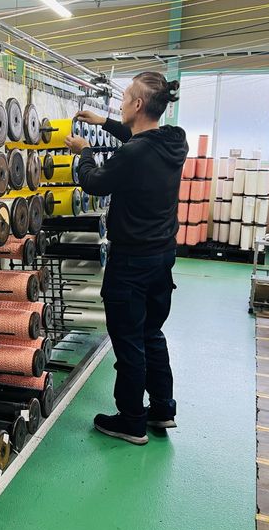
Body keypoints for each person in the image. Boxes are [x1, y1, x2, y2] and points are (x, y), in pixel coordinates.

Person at [65, 71, 188, 445]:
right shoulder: (175, 140)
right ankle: (162, 409)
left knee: (128, 340)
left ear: (137, 104)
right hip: (162, 257)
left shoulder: (133, 154)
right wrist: (104, 122)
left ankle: (132, 420)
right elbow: (138, 138)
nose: (120, 104)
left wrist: (84, 152)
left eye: (124, 98)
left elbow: (94, 182)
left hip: (131, 263)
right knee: (151, 333)